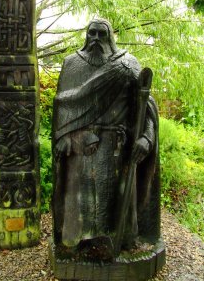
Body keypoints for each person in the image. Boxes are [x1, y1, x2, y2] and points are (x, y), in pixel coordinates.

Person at [52, 18, 160, 259]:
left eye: (102, 34)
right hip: (80, 149)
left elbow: (145, 107)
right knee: (82, 211)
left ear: (111, 36)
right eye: (92, 33)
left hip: (117, 151)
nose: (96, 40)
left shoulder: (127, 65)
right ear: (85, 35)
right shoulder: (71, 65)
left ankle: (119, 243)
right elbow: (62, 107)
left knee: (113, 206)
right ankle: (78, 245)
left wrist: (146, 137)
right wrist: (66, 138)